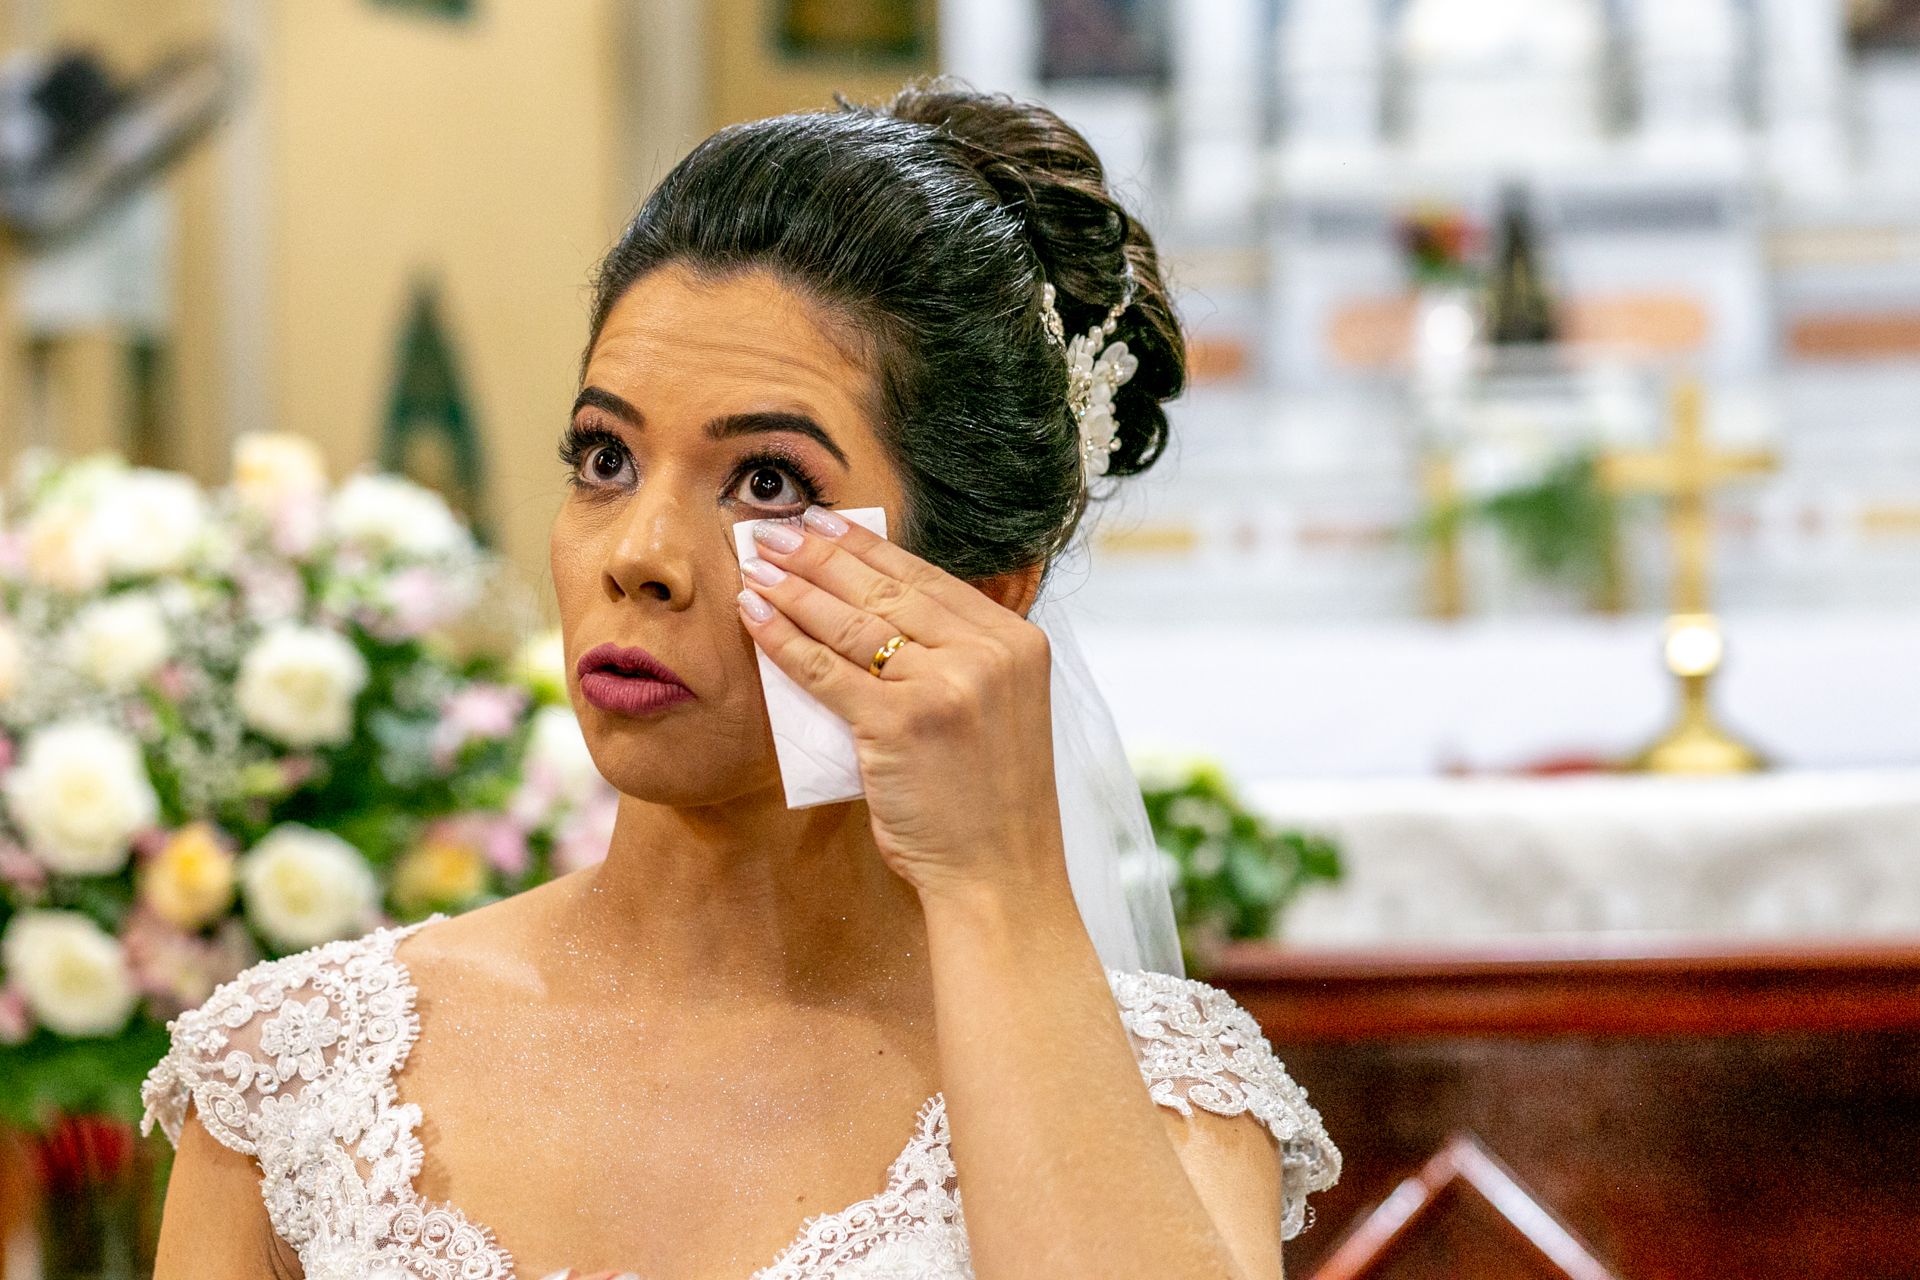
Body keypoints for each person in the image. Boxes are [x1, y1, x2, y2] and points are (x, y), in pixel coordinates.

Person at [136, 77, 1340, 1280]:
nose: (640, 555)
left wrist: (993, 886)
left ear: (986, 594)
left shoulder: (1167, 1095)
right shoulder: (293, 1073)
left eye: (768, 482)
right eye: (604, 457)